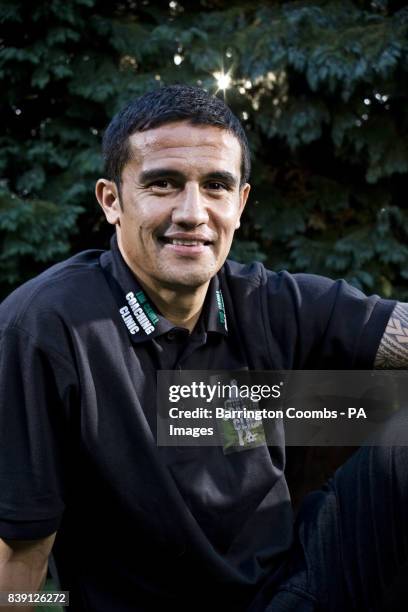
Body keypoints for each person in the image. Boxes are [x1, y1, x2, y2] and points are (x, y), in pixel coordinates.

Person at [0, 85, 407, 612]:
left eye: (215, 186)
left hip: (293, 592)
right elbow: (18, 552)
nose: (193, 212)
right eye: (163, 184)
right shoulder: (45, 327)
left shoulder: (268, 300)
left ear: (239, 203)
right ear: (111, 201)